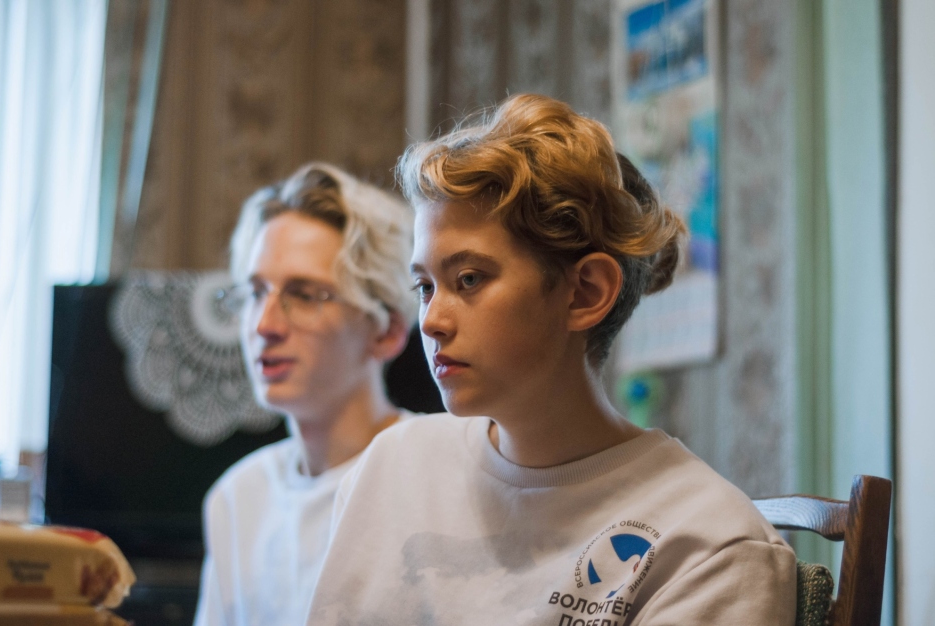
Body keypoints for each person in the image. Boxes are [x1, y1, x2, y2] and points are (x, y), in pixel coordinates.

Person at [304, 95, 796, 625]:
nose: (431, 321)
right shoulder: (389, 468)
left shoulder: (707, 547)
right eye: (425, 287)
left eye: (468, 279)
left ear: (586, 292)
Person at [193, 162, 418, 626]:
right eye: (256, 292)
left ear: (387, 330)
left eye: (305, 294)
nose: (264, 325)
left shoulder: (434, 475)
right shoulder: (238, 499)